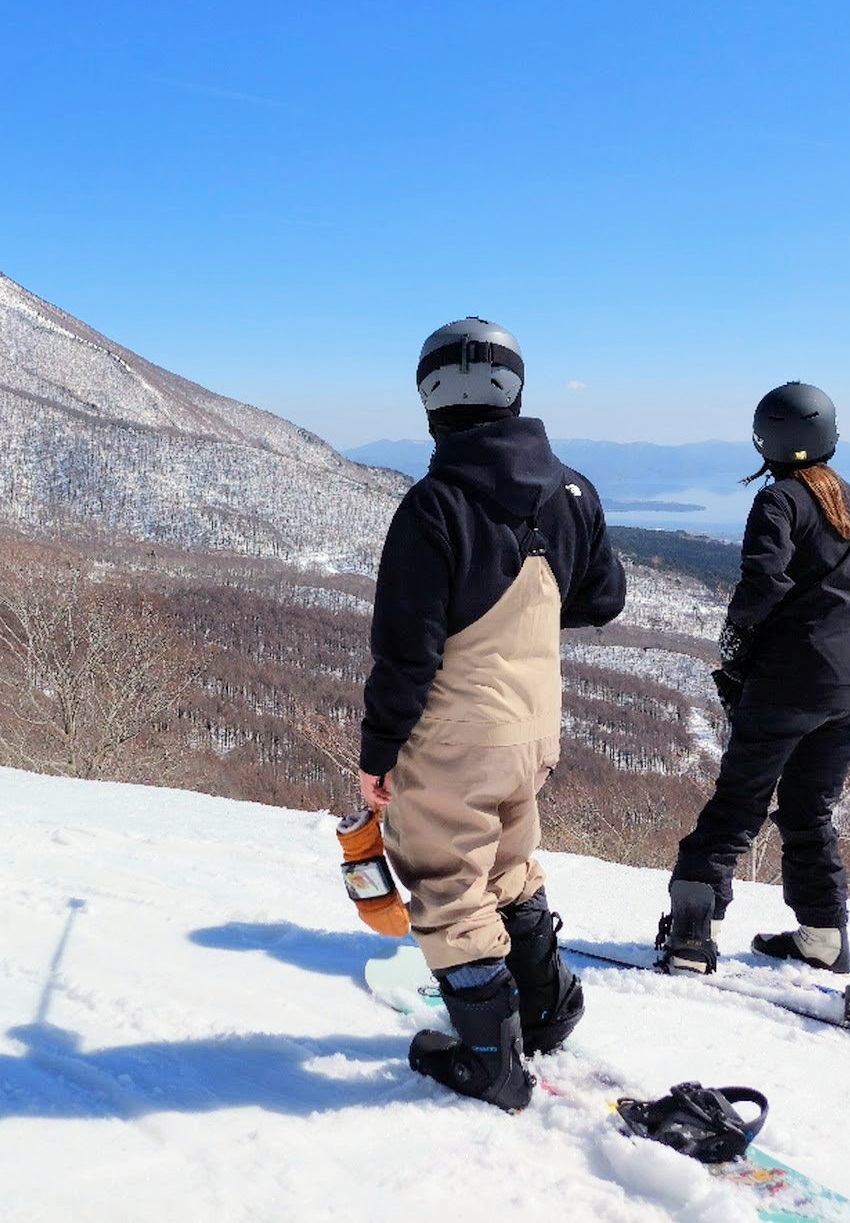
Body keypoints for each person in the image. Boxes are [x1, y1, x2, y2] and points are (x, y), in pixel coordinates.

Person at [359, 318, 625, 1109]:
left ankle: (490, 1059)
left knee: (447, 883)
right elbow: (602, 599)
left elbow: (407, 653)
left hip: (454, 733)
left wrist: (377, 750)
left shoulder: (435, 505)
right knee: (509, 862)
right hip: (532, 728)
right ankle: (546, 1005)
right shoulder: (572, 490)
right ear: (515, 388)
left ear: (429, 397)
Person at [659, 381, 850, 976]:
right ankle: (824, 941)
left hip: (790, 680)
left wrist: (736, 639)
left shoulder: (779, 498)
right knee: (810, 812)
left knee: (738, 803)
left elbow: (763, 579)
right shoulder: (848, 499)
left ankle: (689, 937)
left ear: (766, 438)